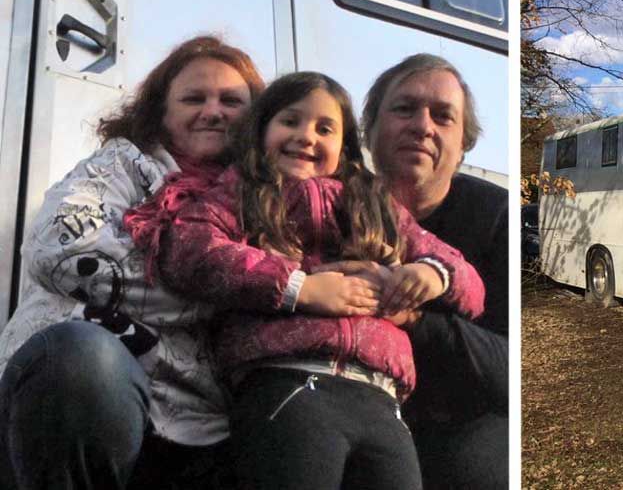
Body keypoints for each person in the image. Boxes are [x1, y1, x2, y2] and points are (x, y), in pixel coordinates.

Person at [127, 71, 486, 489]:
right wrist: (300, 287)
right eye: (290, 121)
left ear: (345, 146)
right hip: (286, 383)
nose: (306, 136)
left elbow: (468, 282)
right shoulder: (240, 193)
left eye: (324, 128)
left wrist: (430, 274)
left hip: (381, 399)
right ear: (261, 131)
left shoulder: (375, 205)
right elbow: (190, 251)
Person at [0, 36, 265, 488]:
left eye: (231, 100)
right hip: (82, 395)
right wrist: (225, 288)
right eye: (193, 98)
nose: (213, 111)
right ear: (161, 113)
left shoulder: (271, 199)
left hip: (201, 424)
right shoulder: (121, 165)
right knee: (84, 357)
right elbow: (63, 248)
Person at [325, 53, 509, 488]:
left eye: (442, 116)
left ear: (464, 141)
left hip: (459, 418)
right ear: (369, 129)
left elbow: (509, 367)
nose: (423, 126)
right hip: (343, 399)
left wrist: (411, 317)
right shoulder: (325, 203)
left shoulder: (494, 216)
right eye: (404, 108)